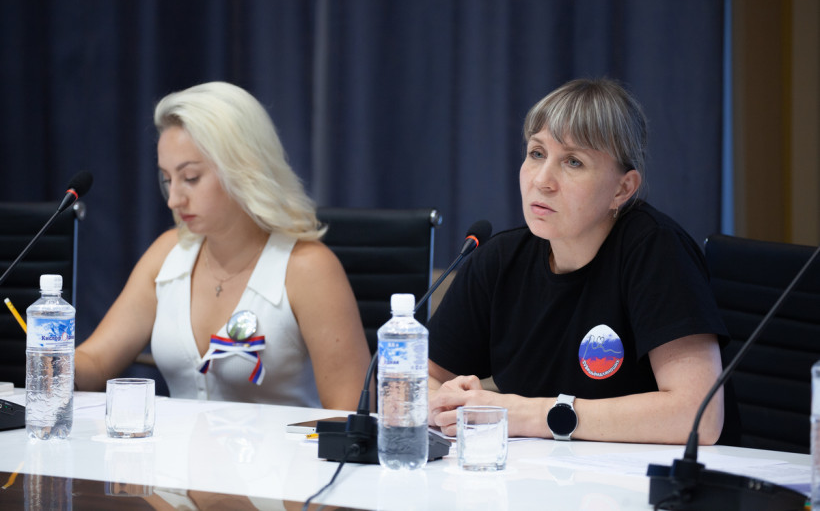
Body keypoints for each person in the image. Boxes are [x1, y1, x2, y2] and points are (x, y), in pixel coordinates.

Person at [427, 78, 728, 445]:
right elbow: (417, 379)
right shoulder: (500, 259)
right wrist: (440, 403)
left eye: (573, 161)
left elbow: (700, 416)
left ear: (622, 189)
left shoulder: (656, 250)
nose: (542, 180)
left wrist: (528, 414)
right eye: (537, 153)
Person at [75, 81, 372, 410]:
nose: (174, 199)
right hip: (175, 446)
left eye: (190, 178)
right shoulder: (167, 253)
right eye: (167, 179)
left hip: (284, 446)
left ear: (244, 169)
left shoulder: (308, 268)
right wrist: (49, 363)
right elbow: (96, 361)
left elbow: (351, 413)